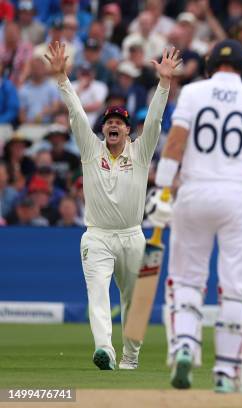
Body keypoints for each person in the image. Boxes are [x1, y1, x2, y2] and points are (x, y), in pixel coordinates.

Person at [145, 39, 242, 392]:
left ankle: (184, 344)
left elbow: (175, 143)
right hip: (238, 195)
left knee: (185, 280)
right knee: (237, 287)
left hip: (194, 192)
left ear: (211, 65)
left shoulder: (194, 93)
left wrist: (163, 190)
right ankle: (226, 373)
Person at [46, 41, 181, 371]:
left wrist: (164, 83)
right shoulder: (91, 151)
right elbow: (77, 113)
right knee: (98, 293)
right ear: (103, 128)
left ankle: (131, 357)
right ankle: (104, 348)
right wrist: (63, 78)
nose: (114, 125)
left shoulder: (140, 151)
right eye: (109, 121)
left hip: (133, 237)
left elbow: (155, 120)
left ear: (127, 129)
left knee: (135, 302)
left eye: (120, 121)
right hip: (97, 237)